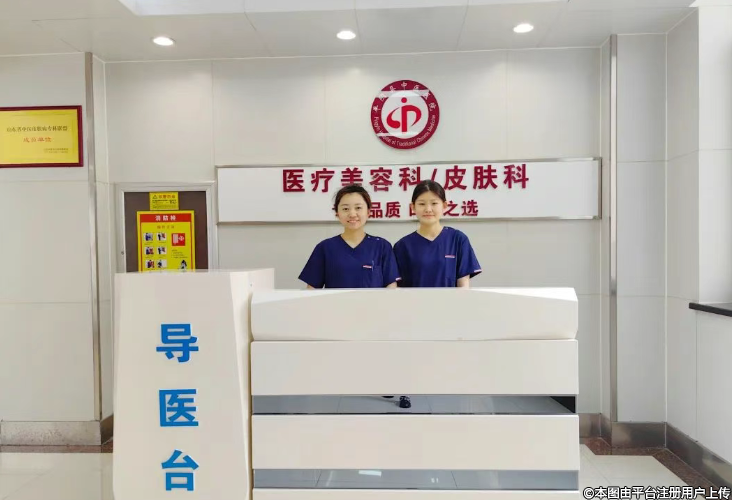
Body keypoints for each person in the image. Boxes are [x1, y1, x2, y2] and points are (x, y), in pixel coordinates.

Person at [299, 184, 400, 289]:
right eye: (345, 209)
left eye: (358, 208)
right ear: (337, 213)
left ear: (368, 212)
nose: (352, 214)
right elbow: (312, 290)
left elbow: (391, 288)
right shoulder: (325, 248)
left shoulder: (382, 246)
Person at [394, 180, 482, 288]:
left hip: (450, 300)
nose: (428, 209)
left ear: (444, 205)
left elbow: (463, 287)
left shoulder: (458, 240)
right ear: (413, 207)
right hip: (415, 300)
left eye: (434, 203)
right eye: (422, 204)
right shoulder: (402, 246)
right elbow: (399, 290)